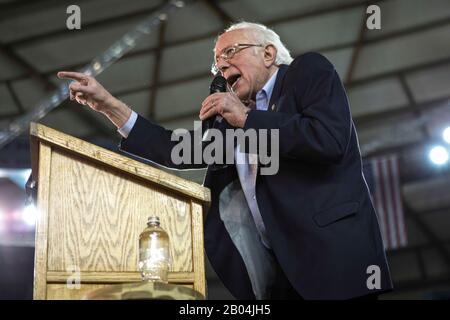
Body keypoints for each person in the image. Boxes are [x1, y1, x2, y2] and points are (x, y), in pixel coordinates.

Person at [58, 22, 393, 300]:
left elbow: (327, 139)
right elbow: (174, 149)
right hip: (276, 277)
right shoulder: (231, 119)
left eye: (231, 52)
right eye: (217, 61)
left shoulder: (306, 72)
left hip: (333, 263)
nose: (222, 65)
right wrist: (109, 107)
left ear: (268, 53)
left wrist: (247, 118)